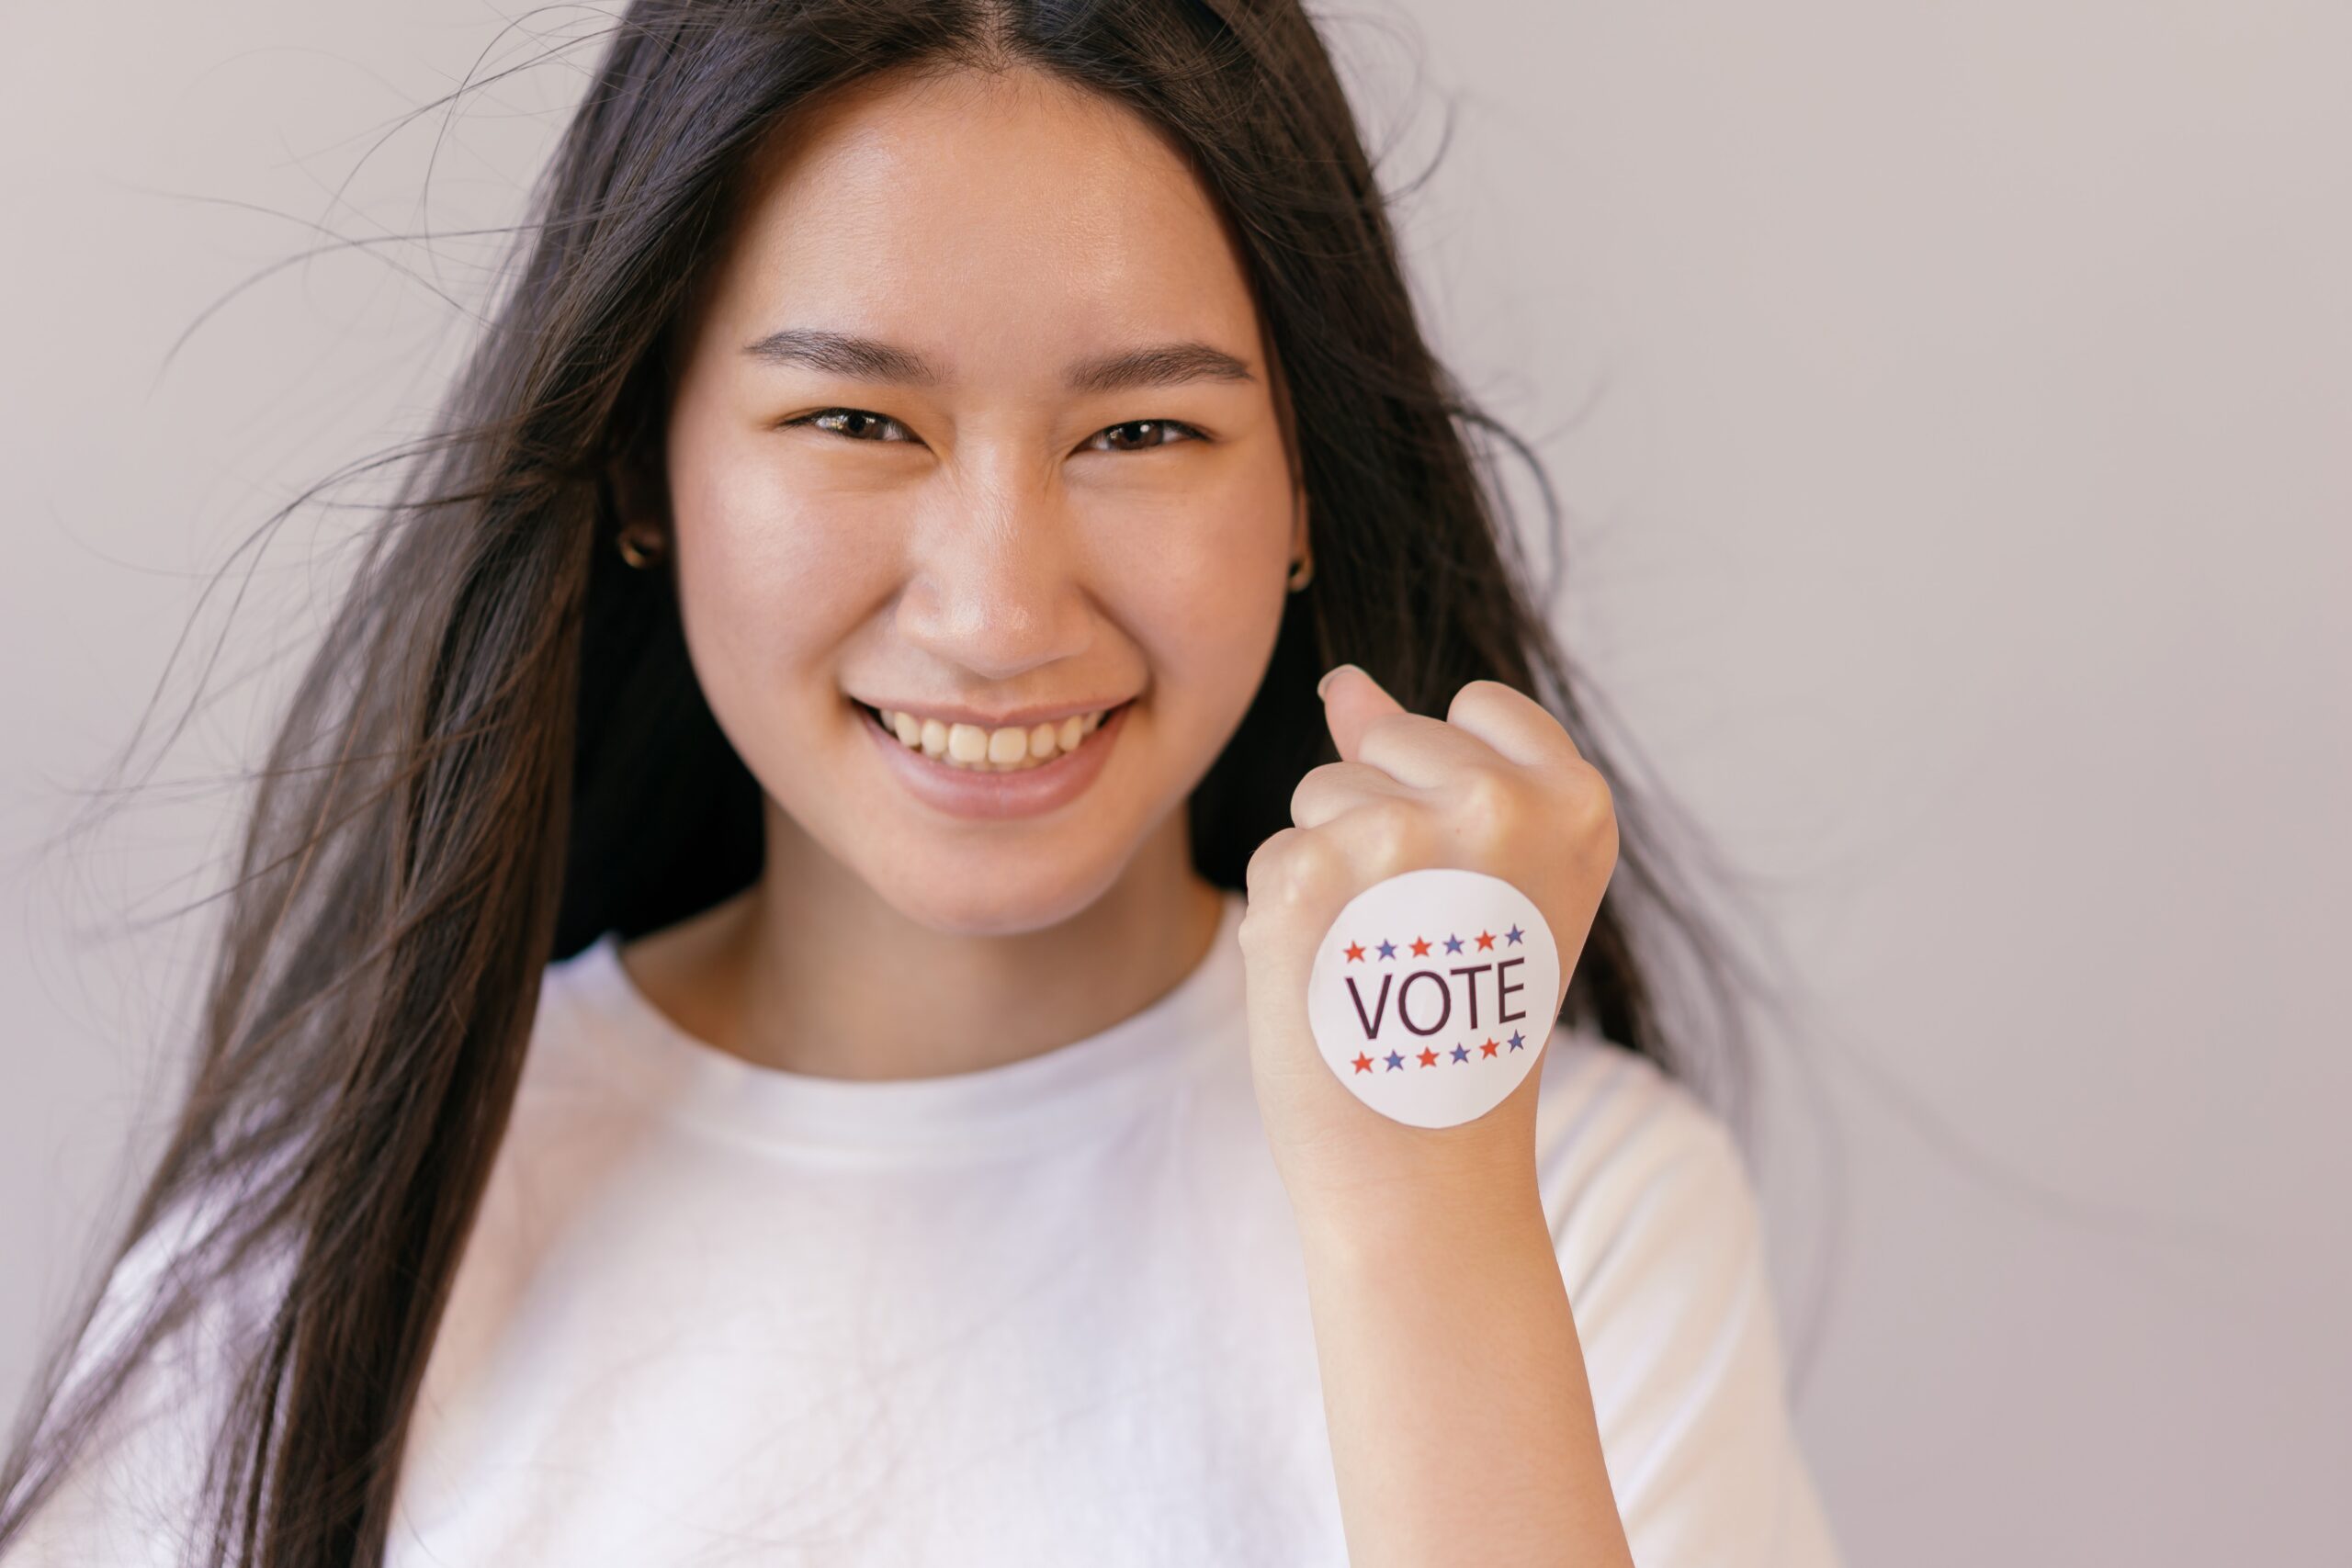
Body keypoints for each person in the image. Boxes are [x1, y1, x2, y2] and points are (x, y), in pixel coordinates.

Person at [0, 2, 1843, 1563]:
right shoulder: (327, 1248)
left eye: (1142, 430)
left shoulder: (1565, 1200)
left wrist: (1417, 1208)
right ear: (645, 468)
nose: (994, 607)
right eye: (857, 421)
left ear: (1301, 493)